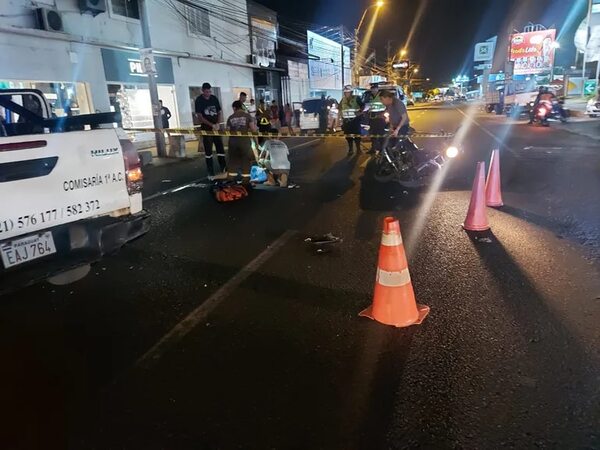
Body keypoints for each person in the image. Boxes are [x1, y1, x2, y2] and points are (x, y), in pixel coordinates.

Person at [195, 82, 226, 179]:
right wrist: (211, 125)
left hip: (216, 128)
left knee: (220, 148)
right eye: (206, 92)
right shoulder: (199, 100)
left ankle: (224, 168)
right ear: (202, 91)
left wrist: (217, 123)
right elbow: (200, 117)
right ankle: (210, 171)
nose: (208, 93)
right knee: (208, 151)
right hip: (206, 129)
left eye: (209, 91)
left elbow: (219, 112)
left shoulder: (214, 98)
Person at [226, 100, 256, 185]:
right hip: (244, 142)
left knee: (233, 161)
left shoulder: (230, 117)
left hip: (233, 142)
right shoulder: (247, 116)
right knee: (246, 161)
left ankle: (231, 181)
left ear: (234, 108)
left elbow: (227, 131)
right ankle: (246, 181)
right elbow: (253, 129)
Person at [339, 85, 363, 156]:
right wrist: (340, 119)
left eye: (348, 92)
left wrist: (359, 112)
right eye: (345, 92)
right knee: (348, 136)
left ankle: (358, 149)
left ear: (351, 92)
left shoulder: (357, 98)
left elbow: (363, 106)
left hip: (355, 120)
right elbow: (340, 109)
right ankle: (351, 149)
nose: (346, 94)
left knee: (357, 136)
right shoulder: (343, 100)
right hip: (346, 121)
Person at [364, 83, 386, 153]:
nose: (373, 90)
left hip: (380, 118)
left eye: (374, 89)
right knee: (372, 134)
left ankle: (382, 148)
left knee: (380, 134)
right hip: (372, 118)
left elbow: (387, 105)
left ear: (377, 89)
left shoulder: (381, 96)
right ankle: (373, 148)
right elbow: (367, 106)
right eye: (372, 89)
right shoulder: (369, 97)